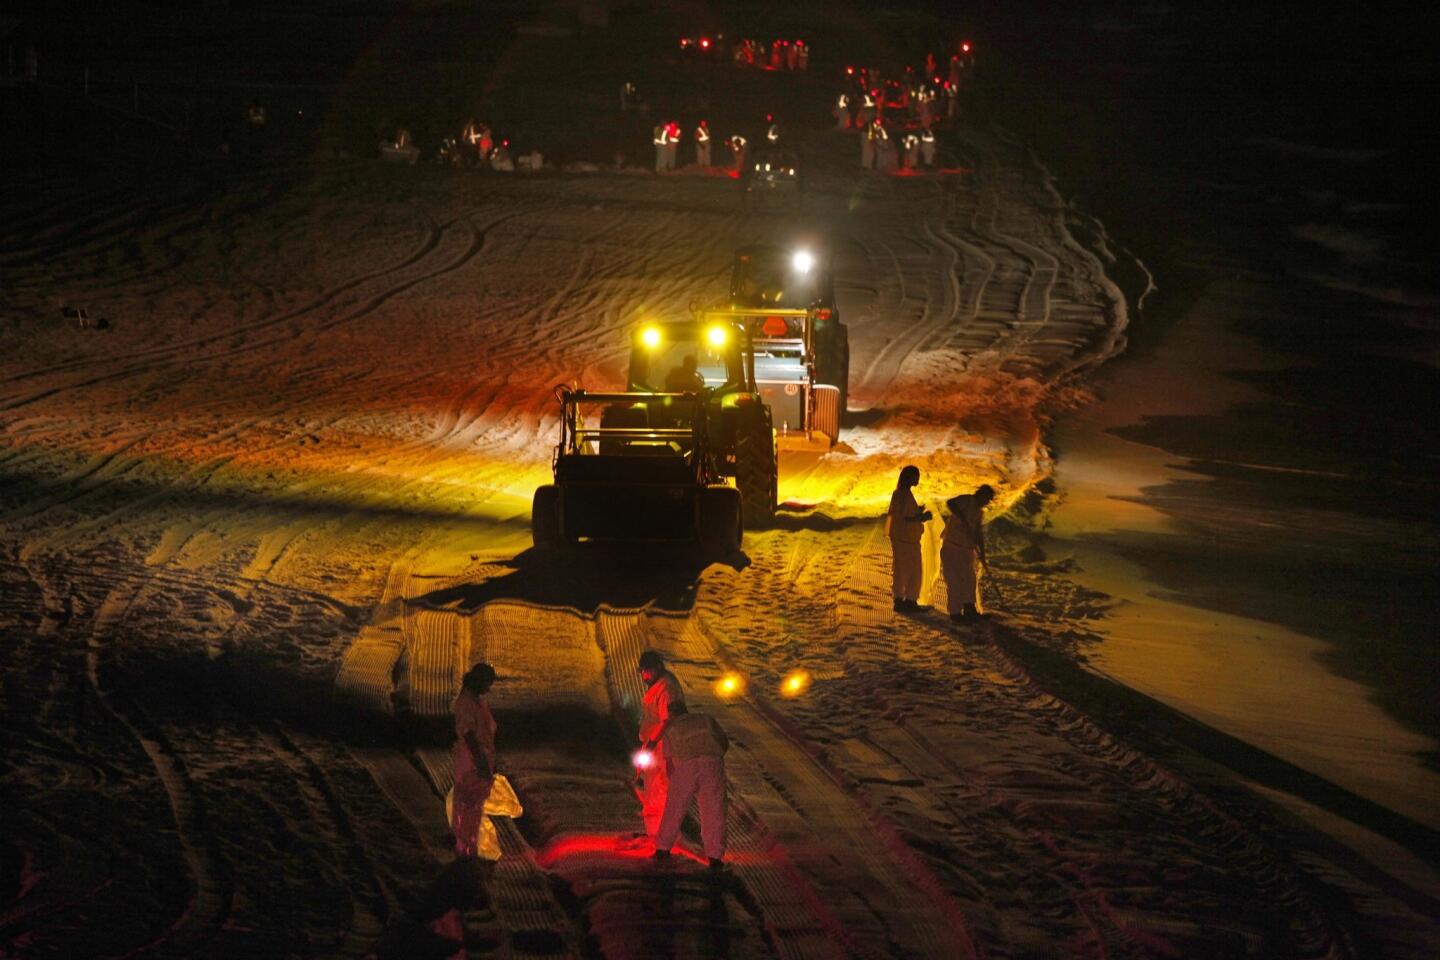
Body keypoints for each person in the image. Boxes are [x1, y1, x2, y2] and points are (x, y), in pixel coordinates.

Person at [652, 703, 730, 869]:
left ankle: (663, 849)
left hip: (685, 765)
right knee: (714, 809)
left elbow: (669, 761)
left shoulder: (670, 727)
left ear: (671, 714)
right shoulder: (706, 719)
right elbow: (724, 742)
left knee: (675, 807)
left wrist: (673, 781)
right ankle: (715, 856)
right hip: (711, 762)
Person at [637, 650, 686, 841]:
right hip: (655, 747)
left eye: (646, 672)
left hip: (665, 747)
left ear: (657, 668)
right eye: (642, 672)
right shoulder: (658, 686)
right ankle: (655, 834)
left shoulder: (667, 689)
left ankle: (666, 836)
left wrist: (651, 743)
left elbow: (667, 720)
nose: (644, 676)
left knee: (663, 789)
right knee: (653, 790)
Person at [451, 662, 497, 858]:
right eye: (487, 683)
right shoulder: (466, 704)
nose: (489, 688)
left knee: (474, 807)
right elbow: (469, 735)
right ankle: (465, 849)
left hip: (479, 760)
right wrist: (481, 763)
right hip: (472, 763)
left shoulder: (477, 701)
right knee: (468, 806)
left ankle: (469, 847)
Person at [941, 484, 995, 621]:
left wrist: (982, 553)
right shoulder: (966, 500)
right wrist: (962, 517)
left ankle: (969, 609)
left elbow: (978, 533)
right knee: (954, 581)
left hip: (966, 549)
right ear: (981, 494)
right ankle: (955, 614)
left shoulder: (979, 511)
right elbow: (950, 503)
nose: (986, 502)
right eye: (987, 499)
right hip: (952, 547)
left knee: (969, 580)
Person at [887, 465, 932, 612]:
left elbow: (902, 514)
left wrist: (916, 512)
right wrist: (922, 517)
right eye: (916, 475)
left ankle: (902, 599)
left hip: (902, 537)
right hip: (906, 539)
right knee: (912, 570)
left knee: (901, 569)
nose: (918, 479)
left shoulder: (899, 493)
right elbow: (907, 518)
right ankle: (907, 601)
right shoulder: (904, 494)